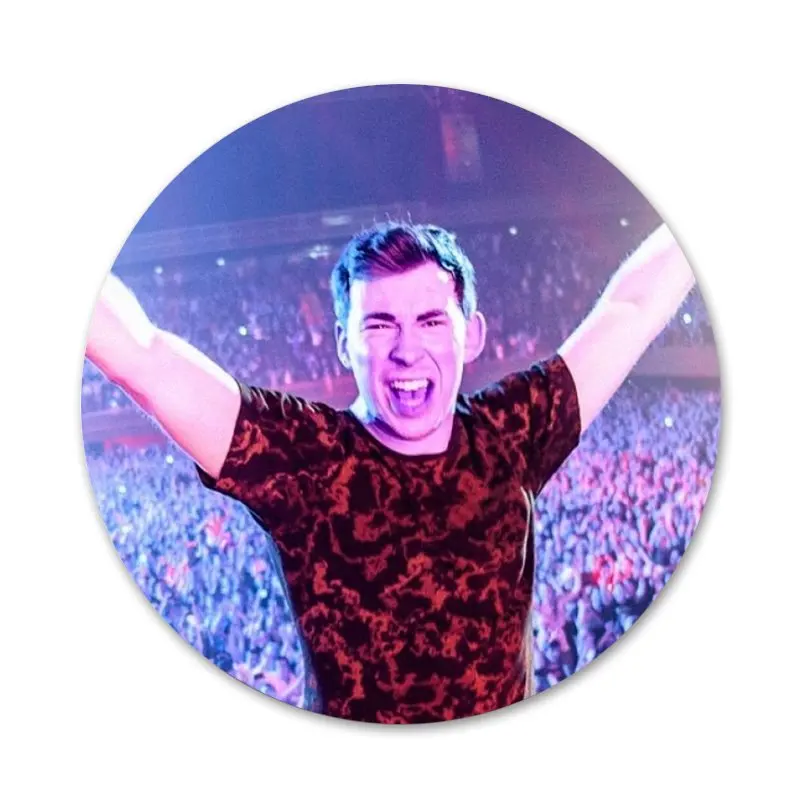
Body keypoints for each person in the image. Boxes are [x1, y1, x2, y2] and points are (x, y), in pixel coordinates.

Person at [86, 220, 695, 723]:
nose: (406, 350)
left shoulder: (512, 432)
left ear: (471, 335)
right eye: (379, 325)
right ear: (342, 343)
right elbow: (144, 358)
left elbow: (633, 308)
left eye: (431, 321)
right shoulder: (303, 459)